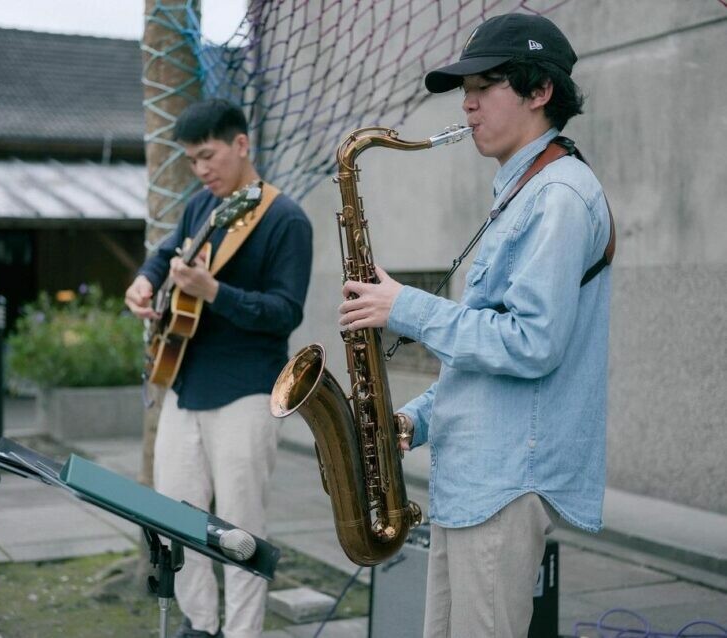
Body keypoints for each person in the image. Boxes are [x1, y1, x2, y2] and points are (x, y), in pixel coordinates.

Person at [339, 13, 612, 638]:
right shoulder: (522, 193)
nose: (466, 105)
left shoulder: (559, 197)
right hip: (474, 479)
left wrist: (403, 307)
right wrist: (416, 419)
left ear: (539, 91)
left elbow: (532, 345)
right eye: (464, 91)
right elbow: (487, 352)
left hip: (504, 482)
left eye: (484, 86)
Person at [125, 98, 313, 638]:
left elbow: (285, 312)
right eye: (191, 160)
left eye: (208, 156)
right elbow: (164, 254)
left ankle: (243, 632)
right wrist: (144, 279)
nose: (201, 169)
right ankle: (199, 625)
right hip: (184, 386)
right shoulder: (200, 207)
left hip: (248, 392)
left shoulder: (286, 219)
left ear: (241, 144)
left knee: (241, 528)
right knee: (176, 518)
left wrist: (215, 292)